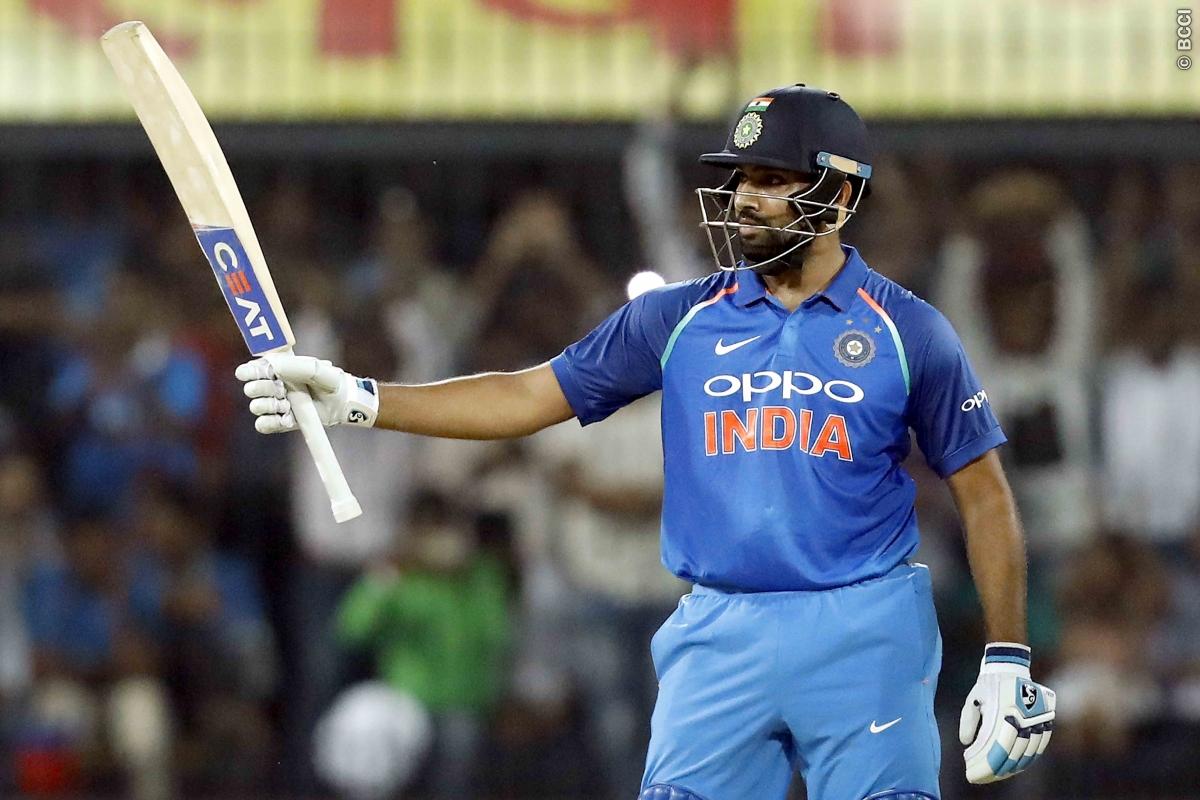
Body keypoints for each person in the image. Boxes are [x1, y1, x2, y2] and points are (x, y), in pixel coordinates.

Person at [236, 85, 1057, 799]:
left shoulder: (909, 330)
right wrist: (364, 399)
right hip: (720, 626)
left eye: (773, 181)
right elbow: (528, 395)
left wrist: (1007, 657)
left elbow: (984, 492)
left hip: (863, 628)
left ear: (838, 198)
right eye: (741, 179)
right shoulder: (679, 319)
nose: (745, 200)